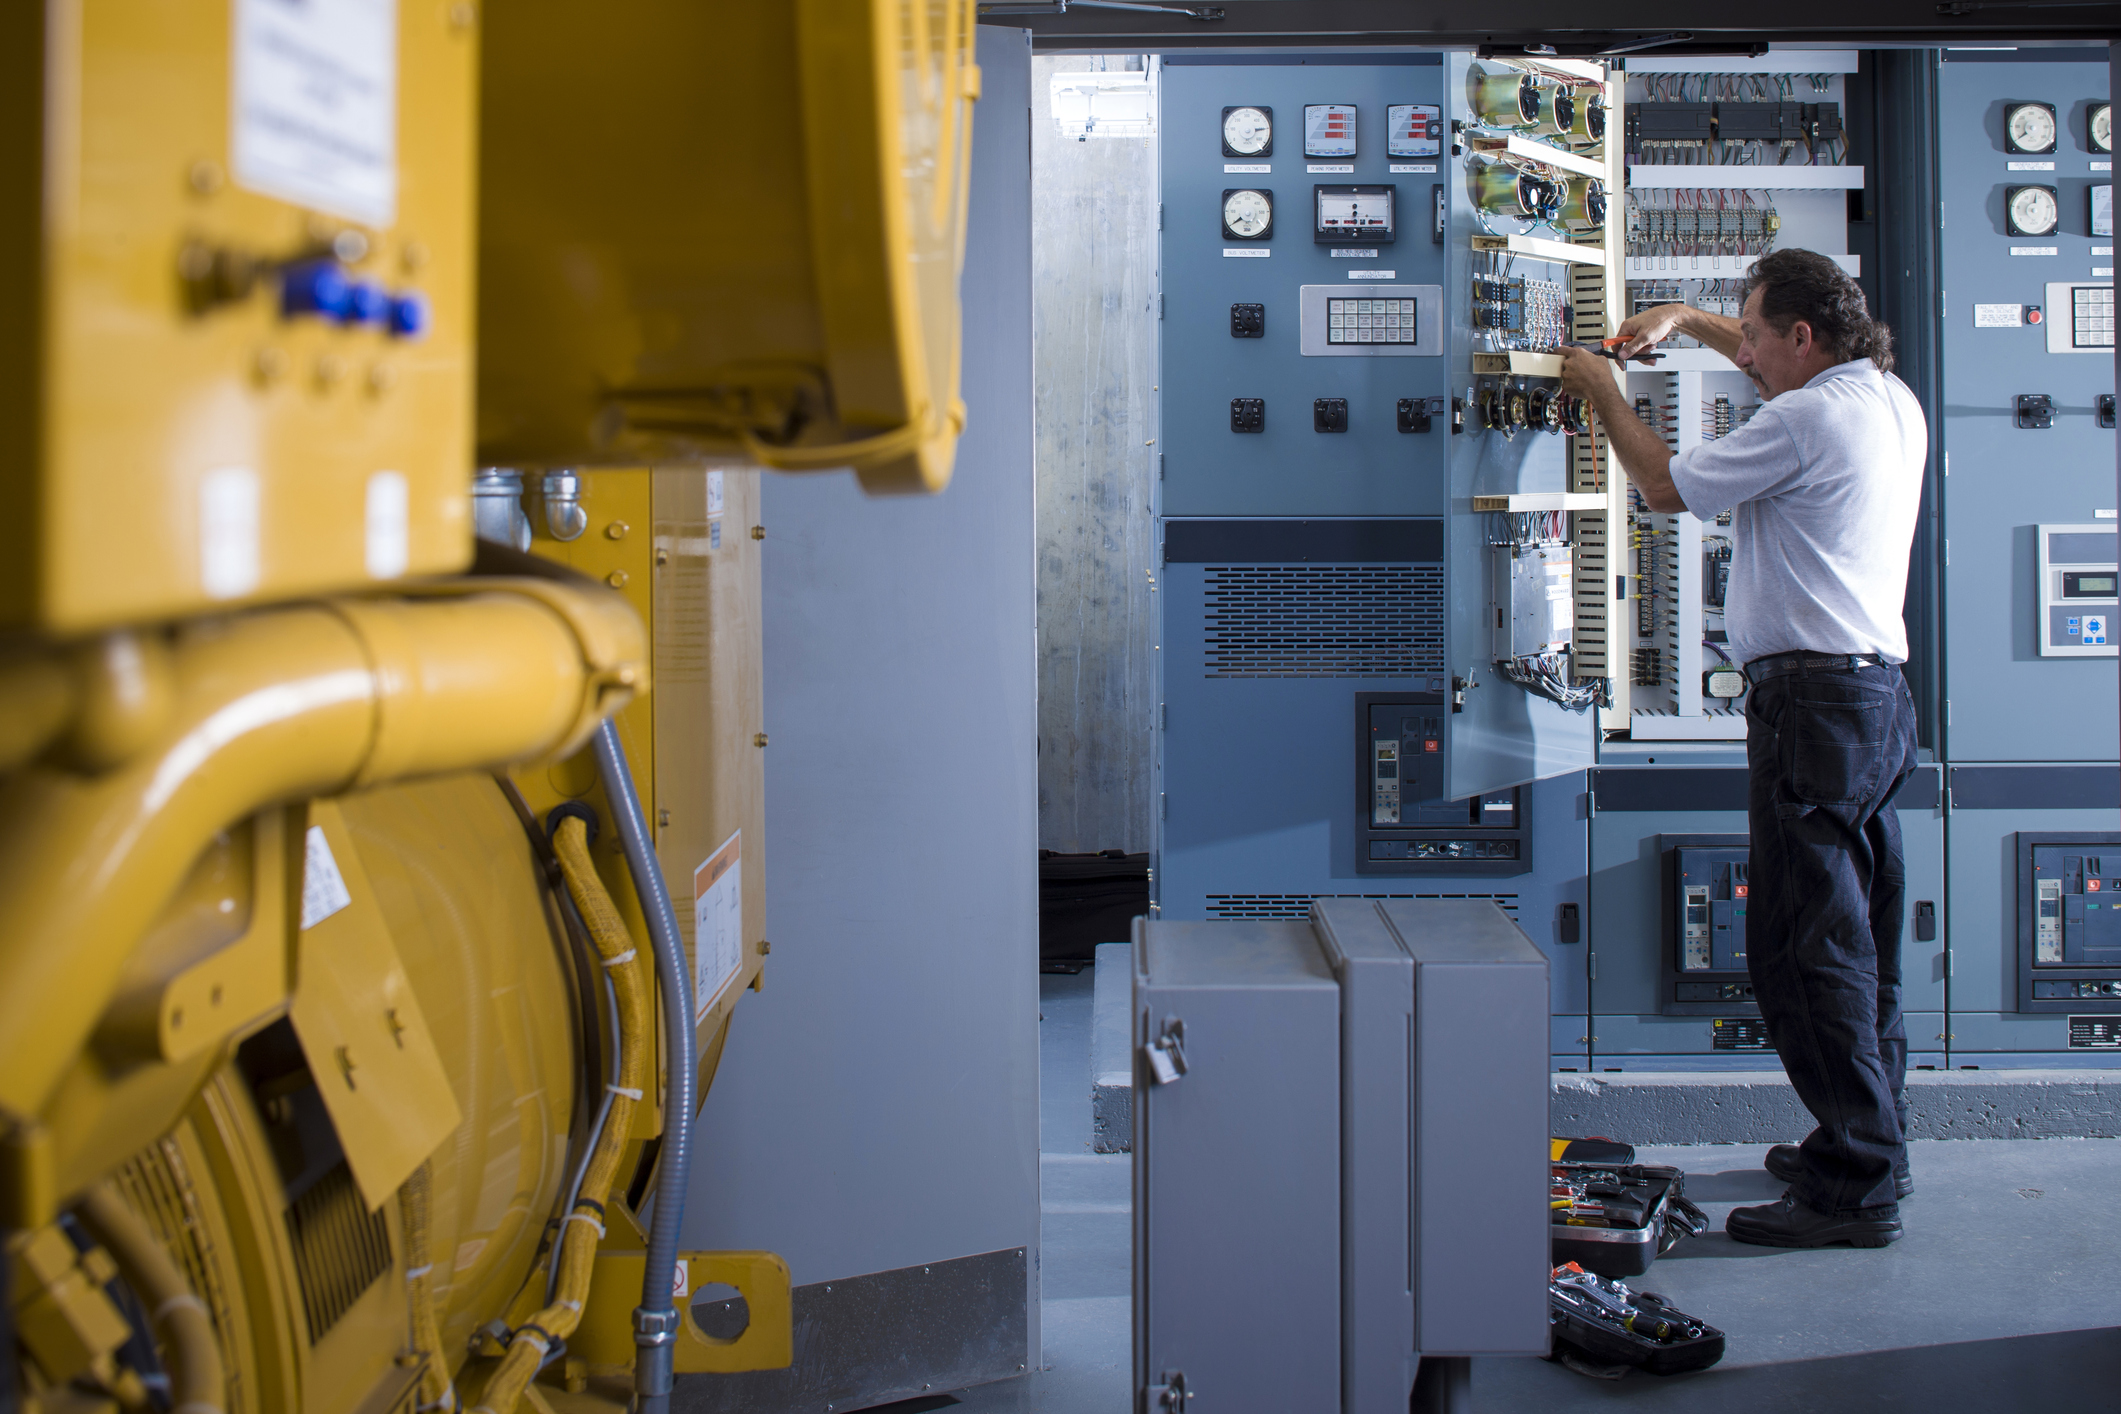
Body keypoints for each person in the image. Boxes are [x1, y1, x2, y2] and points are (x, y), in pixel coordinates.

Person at [1558, 249, 1926, 1249]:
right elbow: (1771, 360)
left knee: (1804, 950)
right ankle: (1867, 1138)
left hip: (1813, 706)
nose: (1747, 352)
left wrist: (1597, 388)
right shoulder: (1885, 395)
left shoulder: (1806, 417)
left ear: (1802, 337)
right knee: (1859, 944)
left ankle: (1855, 1183)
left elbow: (1667, 487)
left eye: (1755, 332)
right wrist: (1687, 316)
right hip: (1875, 698)